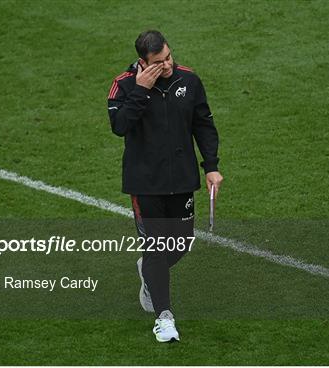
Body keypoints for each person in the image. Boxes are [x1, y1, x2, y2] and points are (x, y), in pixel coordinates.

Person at [107, 30, 223, 342]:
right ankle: (164, 317)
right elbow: (119, 126)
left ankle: (148, 271)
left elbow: (203, 124)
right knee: (158, 246)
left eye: (169, 57)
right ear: (143, 64)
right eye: (159, 62)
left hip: (183, 180)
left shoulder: (189, 80)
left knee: (181, 243)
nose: (168, 65)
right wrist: (141, 91)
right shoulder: (124, 85)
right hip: (145, 184)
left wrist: (211, 167)